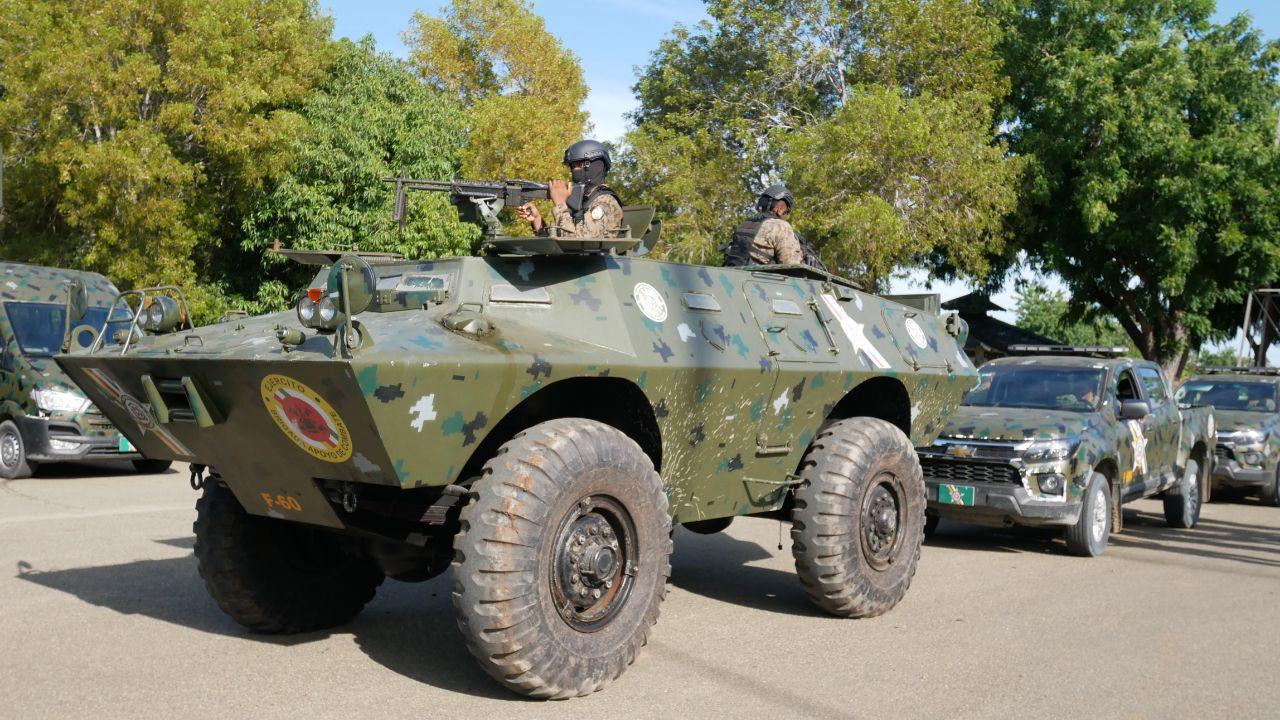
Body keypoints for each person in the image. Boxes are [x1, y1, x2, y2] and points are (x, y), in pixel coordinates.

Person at [515, 140, 623, 238]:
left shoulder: (605, 201)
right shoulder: (584, 201)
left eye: (577, 165)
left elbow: (577, 242)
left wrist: (560, 204)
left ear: (592, 166)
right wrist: (537, 219)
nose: (573, 171)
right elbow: (559, 242)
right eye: (572, 167)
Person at [723, 184, 824, 269]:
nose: (786, 217)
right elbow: (792, 266)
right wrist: (802, 257)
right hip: (759, 282)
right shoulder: (780, 226)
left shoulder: (745, 223)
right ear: (780, 210)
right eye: (786, 212)